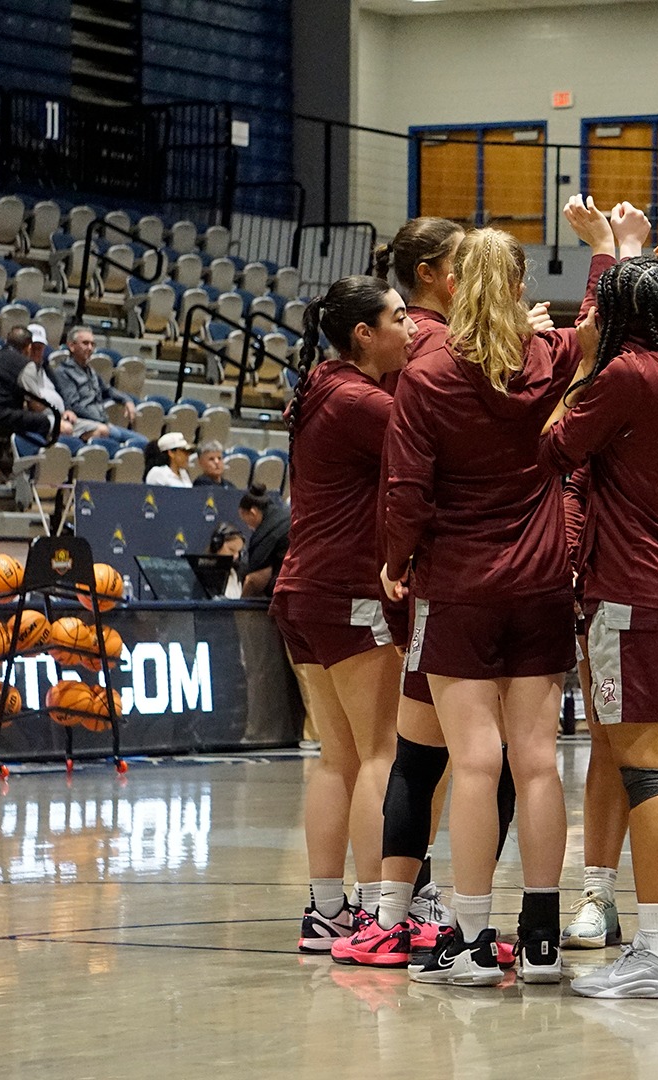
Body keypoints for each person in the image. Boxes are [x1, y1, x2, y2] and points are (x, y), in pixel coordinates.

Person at [382, 211, 611, 988]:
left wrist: (394, 560)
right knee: (538, 763)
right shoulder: (544, 357)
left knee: (475, 763)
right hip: (544, 578)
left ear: (454, 285)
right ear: (517, 287)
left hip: (461, 584)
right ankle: (541, 940)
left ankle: (474, 941)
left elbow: (406, 491)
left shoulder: (426, 375)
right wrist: (604, 254)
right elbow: (597, 324)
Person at [540, 238, 658, 998]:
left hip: (630, 592)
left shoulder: (622, 375)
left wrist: (579, 363)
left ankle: (655, 953)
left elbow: (553, 444)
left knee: (643, 770)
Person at [270, 275, 415, 958]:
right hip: (349, 590)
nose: (411, 329)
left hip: (301, 591)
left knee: (339, 758)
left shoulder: (323, 386)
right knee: (381, 753)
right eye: (399, 318)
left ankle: (328, 910)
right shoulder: (362, 402)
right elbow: (436, 444)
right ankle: (380, 914)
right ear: (364, 334)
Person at [0, 326, 67, 479]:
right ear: (28, 346)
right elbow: (36, 405)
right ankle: (24, 472)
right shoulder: (25, 365)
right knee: (43, 421)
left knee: (8, 413)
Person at [48, 326, 141, 445]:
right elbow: (73, 405)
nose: (90, 348)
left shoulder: (91, 371)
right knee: (114, 435)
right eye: (85, 343)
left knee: (142, 442)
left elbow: (107, 390)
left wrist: (127, 400)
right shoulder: (63, 372)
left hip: (103, 423)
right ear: (71, 346)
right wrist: (99, 420)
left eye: (92, 344)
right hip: (85, 423)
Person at [237, 484, 290, 598]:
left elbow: (255, 579)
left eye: (246, 521)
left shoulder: (267, 535)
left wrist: (240, 610)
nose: (247, 526)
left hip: (285, 591)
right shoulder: (285, 515)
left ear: (253, 512)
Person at [207, 522, 245, 598]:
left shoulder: (240, 573)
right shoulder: (205, 575)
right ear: (217, 546)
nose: (236, 556)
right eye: (231, 550)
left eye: (238, 551)